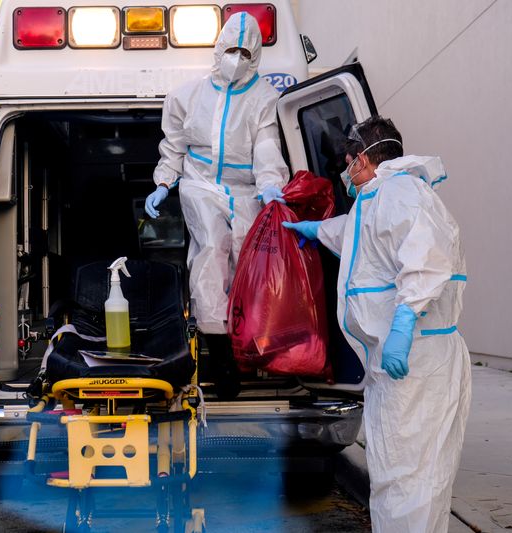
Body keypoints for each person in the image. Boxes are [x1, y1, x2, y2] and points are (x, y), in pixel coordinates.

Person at [283, 116, 471, 532]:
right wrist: (316, 230)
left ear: (363, 160)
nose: (344, 172)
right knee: (398, 474)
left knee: (410, 476)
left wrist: (404, 322)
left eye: (347, 162)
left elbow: (427, 259)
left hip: (417, 359)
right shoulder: (380, 197)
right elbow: (359, 235)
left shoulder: (403, 193)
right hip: (397, 364)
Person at [145, 12, 289, 399]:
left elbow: (266, 146)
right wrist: (164, 182)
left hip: (246, 190)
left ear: (255, 55)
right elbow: (173, 146)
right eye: (231, 49)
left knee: (250, 265)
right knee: (211, 252)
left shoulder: (265, 98)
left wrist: (271, 184)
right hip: (201, 185)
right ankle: (223, 359)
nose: (236, 58)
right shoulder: (186, 95)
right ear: (218, 48)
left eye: (244, 51)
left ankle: (251, 350)